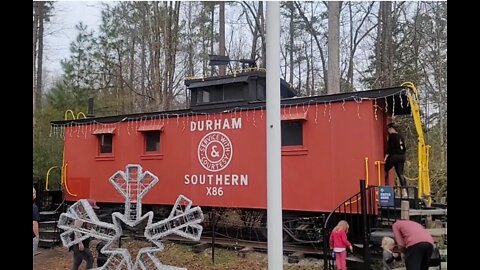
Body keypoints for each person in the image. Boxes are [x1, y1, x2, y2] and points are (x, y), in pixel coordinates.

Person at [69, 199, 99, 270]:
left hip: (81, 244)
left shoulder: (86, 217)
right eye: (92, 208)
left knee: (77, 262)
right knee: (90, 260)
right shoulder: (80, 217)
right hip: (79, 244)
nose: (93, 210)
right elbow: (76, 230)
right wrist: (80, 243)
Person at [384, 122, 408, 197]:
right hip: (402, 156)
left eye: (388, 129)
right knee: (400, 173)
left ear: (391, 129)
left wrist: (386, 157)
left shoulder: (392, 136)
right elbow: (404, 148)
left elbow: (390, 147)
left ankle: (383, 180)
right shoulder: (400, 136)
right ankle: (404, 191)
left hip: (394, 156)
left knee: (385, 168)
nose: (388, 131)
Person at [33, 187, 40, 264]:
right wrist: (37, 236)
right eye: (33, 193)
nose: (35, 194)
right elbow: (34, 223)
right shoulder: (34, 207)